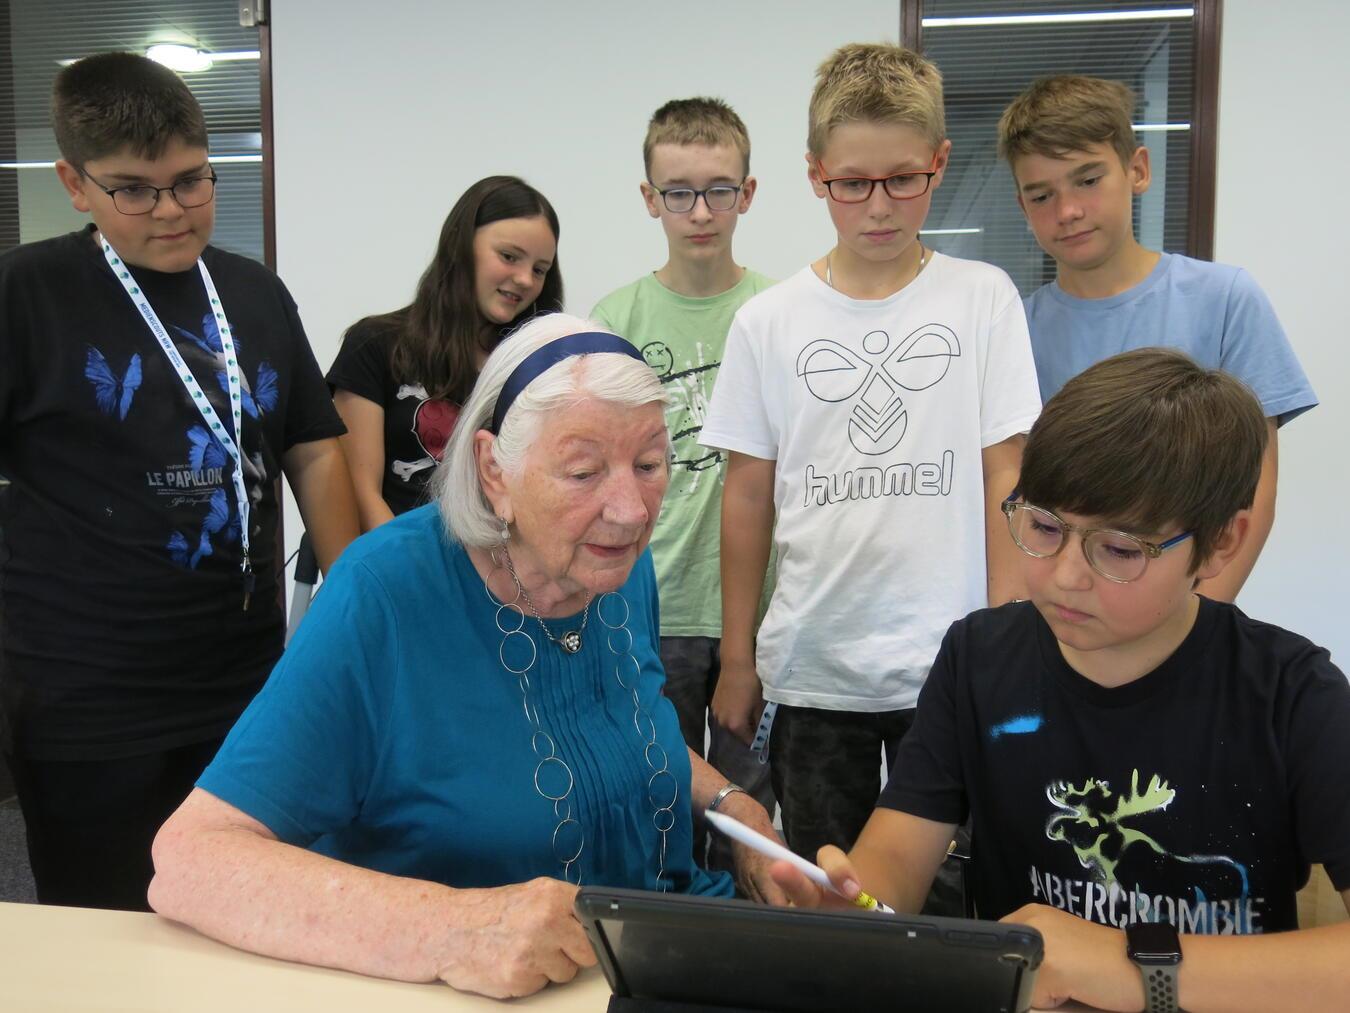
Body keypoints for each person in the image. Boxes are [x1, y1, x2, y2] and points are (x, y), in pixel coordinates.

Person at [148, 314, 784, 1000]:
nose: (631, 509)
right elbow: (190, 859)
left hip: (647, 964)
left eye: (650, 463)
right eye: (583, 471)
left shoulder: (617, 569)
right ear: (494, 469)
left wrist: (732, 806)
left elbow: (626, 716)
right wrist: (453, 926)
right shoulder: (386, 593)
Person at [774, 349, 1350, 1013]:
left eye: (1120, 548)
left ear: (1221, 543)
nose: (1066, 574)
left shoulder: (1291, 694)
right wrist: (847, 903)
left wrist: (1129, 965)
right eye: (1044, 526)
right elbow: (895, 859)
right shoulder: (979, 659)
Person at [0, 52, 359, 912]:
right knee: (108, 929)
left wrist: (356, 603)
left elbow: (312, 448)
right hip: (88, 696)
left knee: (248, 914)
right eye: (135, 189)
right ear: (74, 183)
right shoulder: (27, 293)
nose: (171, 210)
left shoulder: (253, 292)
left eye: (191, 181)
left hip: (242, 679)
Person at [701, 42, 1041, 865]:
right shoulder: (769, 321)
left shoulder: (981, 298)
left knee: (967, 897)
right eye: (852, 183)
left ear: (939, 162)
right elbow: (747, 497)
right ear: (816, 173)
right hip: (814, 668)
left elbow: (1009, 472)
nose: (879, 206)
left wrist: (1008, 639)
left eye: (903, 179)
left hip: (951, 667)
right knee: (828, 894)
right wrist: (738, 658)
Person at [998, 75, 1317, 603]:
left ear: (1138, 170)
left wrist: (1197, 622)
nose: (1068, 210)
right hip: (1061, 608)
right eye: (1042, 194)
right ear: (1023, 206)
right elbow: (1018, 495)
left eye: (1087, 180)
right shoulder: (1012, 328)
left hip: (1185, 607)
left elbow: (1254, 487)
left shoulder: (1224, 299)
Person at [591, 97, 777, 870]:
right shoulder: (615, 316)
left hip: (756, 614)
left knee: (744, 822)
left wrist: (747, 650)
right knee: (652, 811)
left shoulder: (778, 313)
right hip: (646, 605)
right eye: (678, 192)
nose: (700, 211)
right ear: (649, 199)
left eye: (719, 189)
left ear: (749, 193)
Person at [327, 176, 562, 529]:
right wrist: (409, 575)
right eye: (509, 256)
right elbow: (359, 494)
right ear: (460, 245)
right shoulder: (374, 344)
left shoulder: (539, 363)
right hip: (402, 567)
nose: (526, 279)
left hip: (508, 573)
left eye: (539, 270)